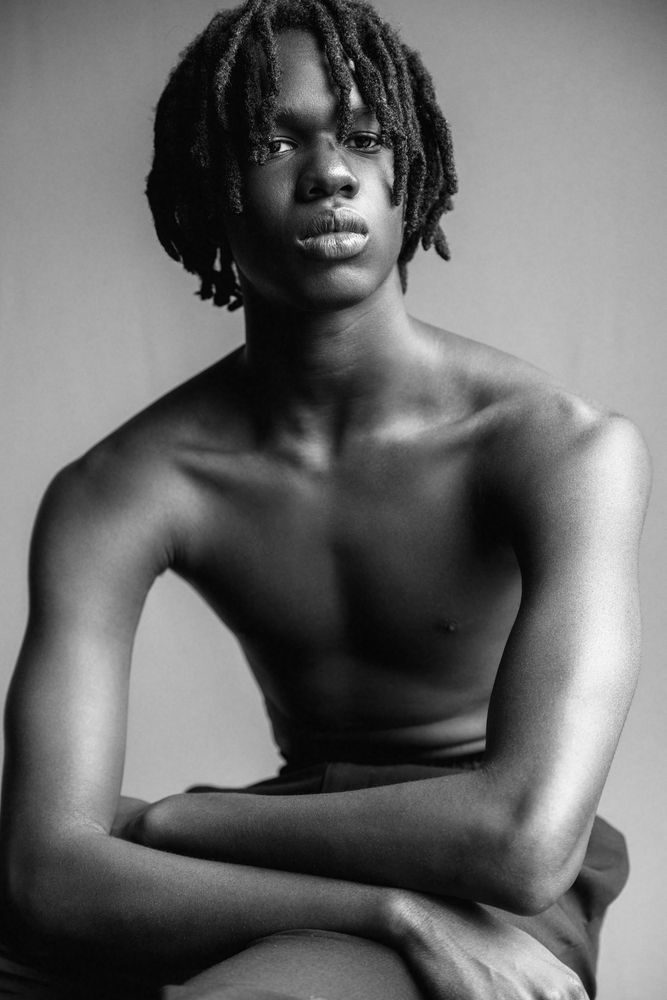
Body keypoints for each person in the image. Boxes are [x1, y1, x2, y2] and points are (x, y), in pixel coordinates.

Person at [0, 1, 650, 998]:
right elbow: (46, 873)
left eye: (364, 137)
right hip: (290, 850)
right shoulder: (122, 487)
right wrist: (389, 912)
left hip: (477, 879)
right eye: (272, 143)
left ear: (407, 176)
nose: (330, 173)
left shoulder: (558, 448)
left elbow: (521, 841)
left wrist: (173, 822)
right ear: (206, 191)